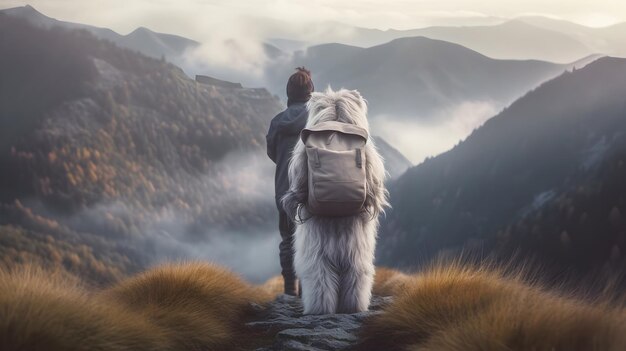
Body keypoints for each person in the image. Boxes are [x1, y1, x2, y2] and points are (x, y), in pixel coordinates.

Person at [266, 67, 314, 296]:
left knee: (288, 239)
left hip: (284, 188)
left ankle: (288, 292)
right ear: (310, 91)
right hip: (314, 188)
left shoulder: (277, 123)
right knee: (311, 240)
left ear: (288, 92)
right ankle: (307, 293)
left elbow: (272, 154)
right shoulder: (317, 118)